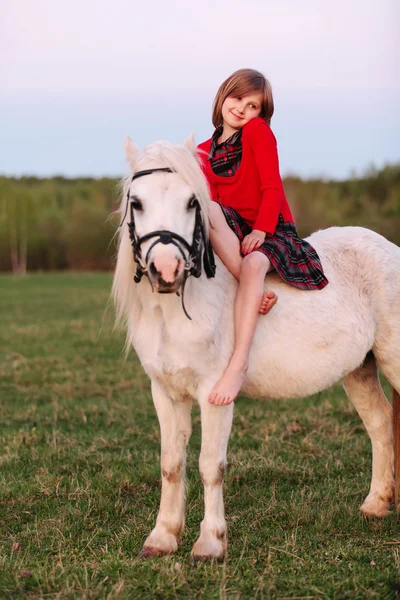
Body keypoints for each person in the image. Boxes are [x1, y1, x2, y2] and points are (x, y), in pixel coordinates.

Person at [197, 68, 328, 406]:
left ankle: (237, 365)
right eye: (237, 98)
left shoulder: (258, 133)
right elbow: (210, 202)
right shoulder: (202, 151)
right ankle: (259, 293)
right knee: (208, 209)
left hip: (271, 228)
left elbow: (272, 187)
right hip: (231, 228)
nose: (242, 109)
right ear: (223, 96)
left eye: (253, 105)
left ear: (261, 113)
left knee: (255, 263)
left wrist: (261, 230)